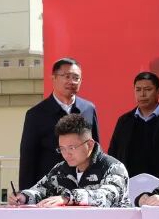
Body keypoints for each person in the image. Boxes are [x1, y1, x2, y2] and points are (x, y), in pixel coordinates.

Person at [9, 114, 128, 208]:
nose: (66, 154)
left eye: (72, 148)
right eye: (62, 149)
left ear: (90, 145)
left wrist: (68, 198)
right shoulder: (61, 170)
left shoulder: (113, 167)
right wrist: (24, 197)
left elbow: (107, 197)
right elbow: (40, 190)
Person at [19, 58, 100, 190]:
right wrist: (25, 194)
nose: (71, 81)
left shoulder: (88, 109)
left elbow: (95, 149)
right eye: (66, 76)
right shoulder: (36, 114)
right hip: (50, 189)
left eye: (76, 78)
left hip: (83, 188)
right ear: (54, 78)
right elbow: (28, 159)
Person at [107, 71, 159, 178]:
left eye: (148, 89)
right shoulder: (124, 121)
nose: (142, 94)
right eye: (138, 90)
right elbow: (113, 155)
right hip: (129, 184)